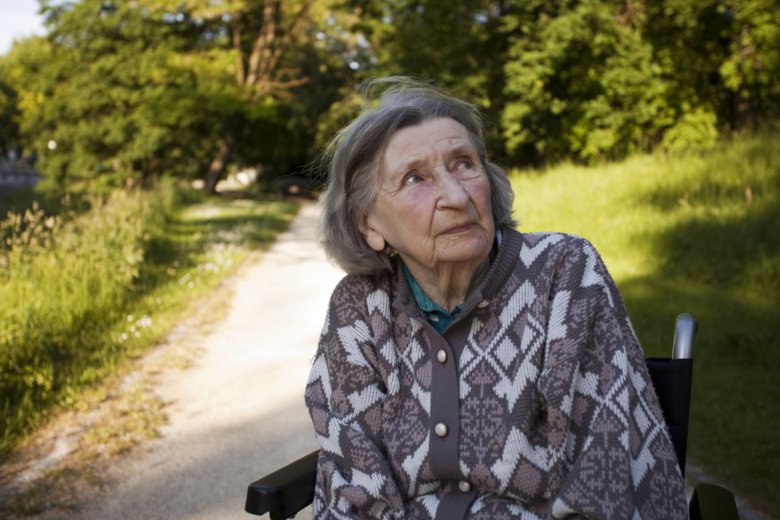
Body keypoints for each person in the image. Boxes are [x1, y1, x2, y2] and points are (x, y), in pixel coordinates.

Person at [305, 78, 687, 519]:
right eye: (416, 178)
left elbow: (603, 473)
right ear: (369, 226)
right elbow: (354, 486)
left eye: (464, 164)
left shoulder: (563, 274)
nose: (456, 195)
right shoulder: (359, 307)